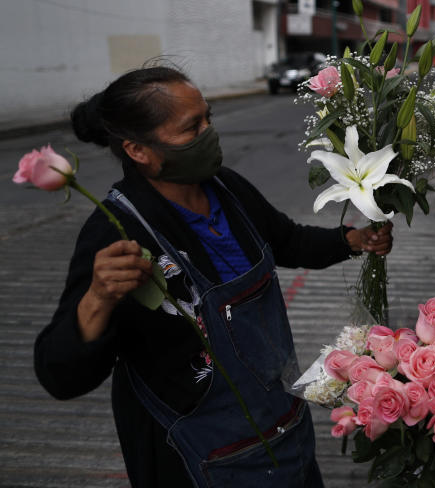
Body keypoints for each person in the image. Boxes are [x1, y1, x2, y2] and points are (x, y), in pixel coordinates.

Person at [34, 66, 392, 487]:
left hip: (279, 425)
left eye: (208, 119)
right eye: (191, 128)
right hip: (195, 453)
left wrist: (351, 240)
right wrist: (97, 298)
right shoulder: (116, 232)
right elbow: (60, 376)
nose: (209, 134)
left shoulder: (225, 188)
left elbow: (285, 240)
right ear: (138, 151)